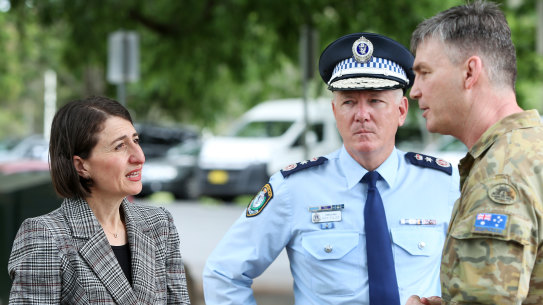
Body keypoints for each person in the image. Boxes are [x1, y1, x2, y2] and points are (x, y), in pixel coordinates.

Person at [203, 32, 460, 305]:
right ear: (335, 111)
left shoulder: (443, 184)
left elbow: (482, 276)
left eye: (375, 100)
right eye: (349, 102)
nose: (362, 114)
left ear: (401, 111)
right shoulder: (294, 188)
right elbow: (223, 273)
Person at [407, 1, 543, 304]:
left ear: (470, 72)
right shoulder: (531, 149)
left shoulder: (500, 176)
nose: (414, 91)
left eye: (424, 72)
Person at [7, 96, 191, 304]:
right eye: (120, 146)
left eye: (136, 140)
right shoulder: (45, 236)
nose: (139, 156)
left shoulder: (159, 224)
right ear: (81, 166)